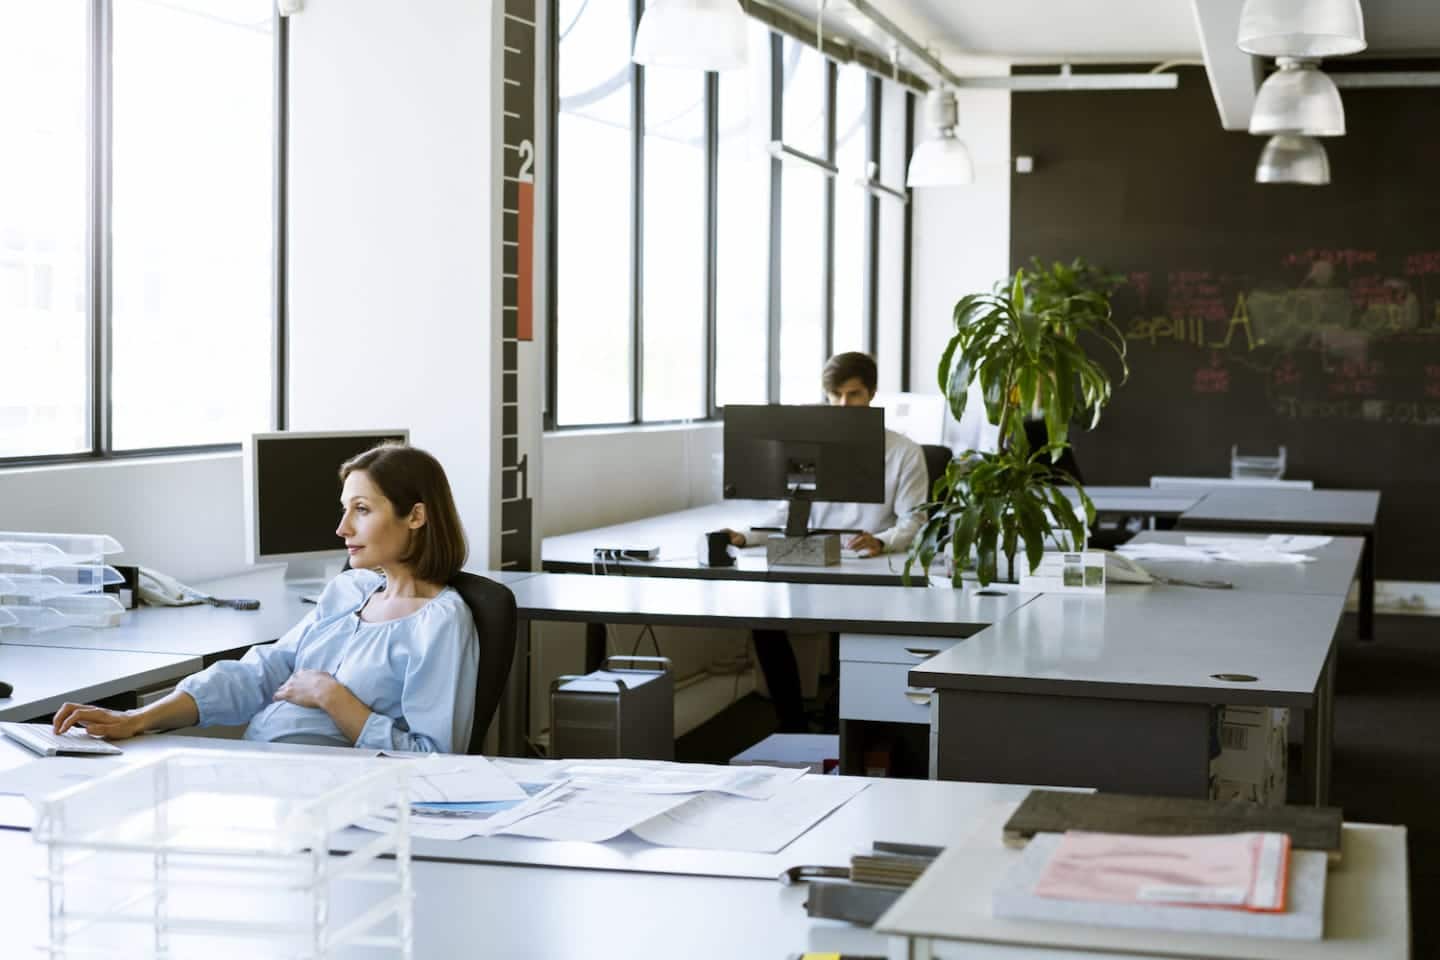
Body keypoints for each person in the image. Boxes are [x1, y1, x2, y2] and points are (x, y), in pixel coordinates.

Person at [52, 443, 480, 754]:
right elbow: (263, 672)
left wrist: (334, 697)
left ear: (417, 516)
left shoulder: (439, 622)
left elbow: (433, 759)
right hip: (266, 770)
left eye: (362, 510)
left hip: (337, 796)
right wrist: (136, 719)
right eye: (344, 509)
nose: (342, 528)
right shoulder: (349, 590)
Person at [727, 352, 928, 731]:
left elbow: (915, 518)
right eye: (834, 396)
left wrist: (883, 541)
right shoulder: (810, 447)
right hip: (811, 557)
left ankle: (843, 724)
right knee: (764, 620)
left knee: (852, 634)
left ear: (871, 393)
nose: (842, 405)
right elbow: (788, 509)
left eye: (852, 395)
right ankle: (793, 725)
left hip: (866, 565)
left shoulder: (903, 452)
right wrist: (748, 534)